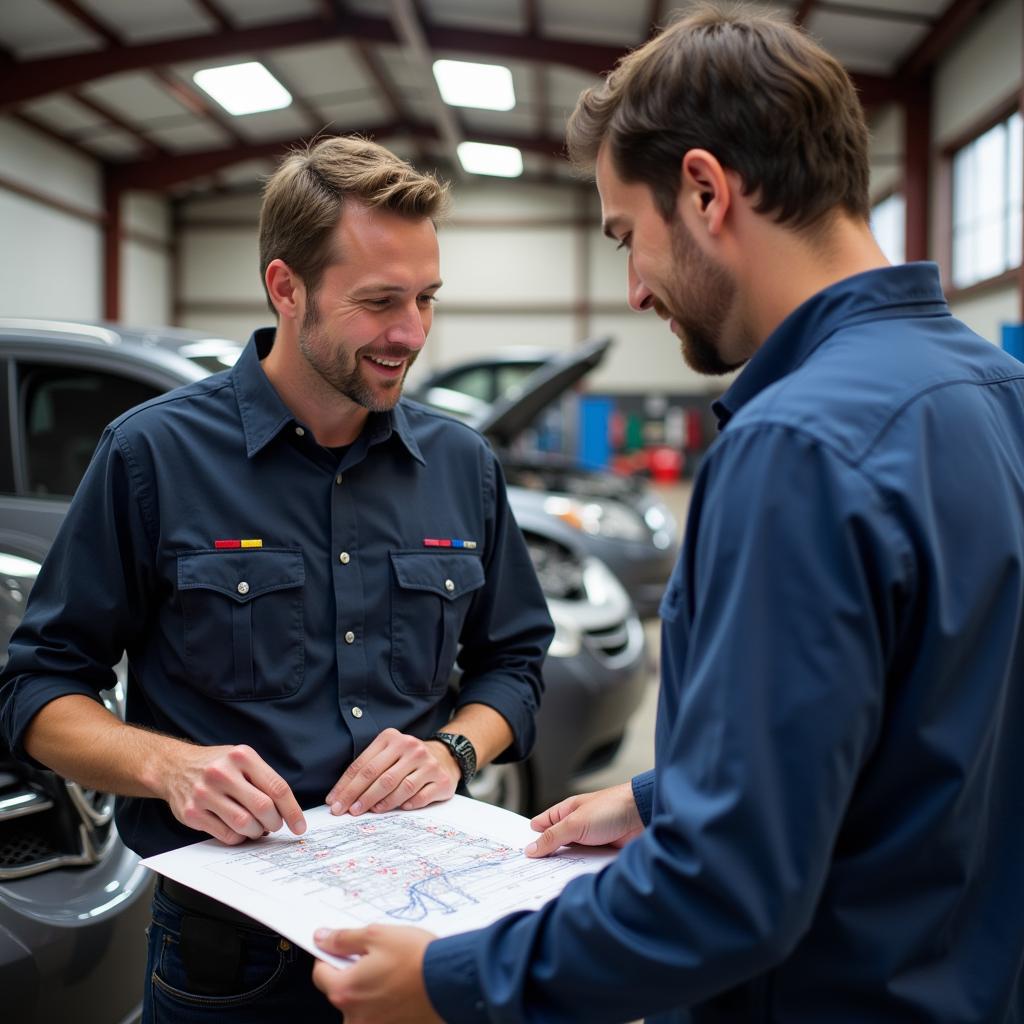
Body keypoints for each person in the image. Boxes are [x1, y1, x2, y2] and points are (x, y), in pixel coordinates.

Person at [308, 5, 1024, 1022]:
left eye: (626, 238)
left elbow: (727, 894)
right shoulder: (995, 393)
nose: (636, 287)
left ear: (703, 189)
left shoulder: (796, 447)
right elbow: (932, 715)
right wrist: (659, 799)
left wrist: (446, 979)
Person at [0, 136, 553, 1023]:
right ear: (285, 287)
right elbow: (37, 691)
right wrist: (170, 767)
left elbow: (514, 667)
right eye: (378, 302)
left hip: (427, 940)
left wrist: (454, 749)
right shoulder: (152, 455)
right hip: (227, 963)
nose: (410, 333)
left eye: (424, 299)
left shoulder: (461, 465)